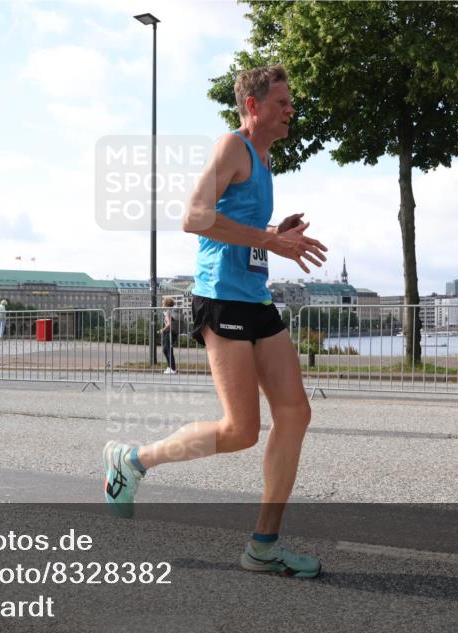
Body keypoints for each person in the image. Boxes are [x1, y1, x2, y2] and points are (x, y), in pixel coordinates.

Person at [103, 65, 329, 578]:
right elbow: (194, 217)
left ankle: (264, 546)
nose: (290, 108)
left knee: (295, 414)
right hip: (220, 300)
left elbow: (239, 229)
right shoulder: (233, 146)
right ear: (253, 105)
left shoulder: (266, 162)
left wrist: (276, 232)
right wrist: (270, 239)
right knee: (240, 430)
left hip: (255, 298)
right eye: (281, 101)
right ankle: (132, 461)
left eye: (290, 101)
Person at [158, 297, 178, 374]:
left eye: (163, 302)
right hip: (173, 332)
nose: (162, 304)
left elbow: (169, 324)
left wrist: (162, 330)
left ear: (166, 304)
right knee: (166, 349)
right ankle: (170, 367)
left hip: (169, 332)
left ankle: (172, 368)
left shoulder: (168, 312)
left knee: (168, 350)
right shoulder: (172, 311)